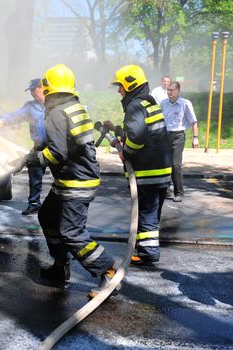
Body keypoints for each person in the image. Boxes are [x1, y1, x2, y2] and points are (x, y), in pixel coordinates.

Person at [24, 64, 116, 299]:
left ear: (49, 88)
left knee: (71, 232)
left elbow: (57, 153)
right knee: (47, 216)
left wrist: (32, 160)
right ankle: (60, 265)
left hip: (77, 181)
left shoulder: (56, 113)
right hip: (71, 179)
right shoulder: (74, 107)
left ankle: (108, 271)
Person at [104, 65, 172, 267]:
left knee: (146, 212)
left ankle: (148, 253)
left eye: (120, 86)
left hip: (147, 172)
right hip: (161, 170)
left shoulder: (135, 106)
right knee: (151, 213)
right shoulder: (149, 103)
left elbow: (137, 137)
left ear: (130, 85)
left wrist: (126, 152)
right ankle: (146, 248)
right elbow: (141, 131)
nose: (119, 91)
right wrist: (116, 129)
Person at [0, 78, 47, 215]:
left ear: (43, 88)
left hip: (56, 146)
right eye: (30, 91)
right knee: (34, 174)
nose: (32, 94)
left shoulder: (54, 105)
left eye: (34, 90)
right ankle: (34, 204)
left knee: (62, 176)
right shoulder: (31, 107)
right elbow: (17, 115)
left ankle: (63, 204)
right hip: (39, 146)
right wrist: (4, 120)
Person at [160, 81, 199, 202]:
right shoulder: (163, 103)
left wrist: (195, 137)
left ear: (178, 91)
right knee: (165, 164)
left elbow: (193, 121)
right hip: (165, 135)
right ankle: (166, 190)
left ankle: (179, 192)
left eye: (171, 90)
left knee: (175, 164)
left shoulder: (185, 103)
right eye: (168, 90)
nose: (169, 92)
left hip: (178, 136)